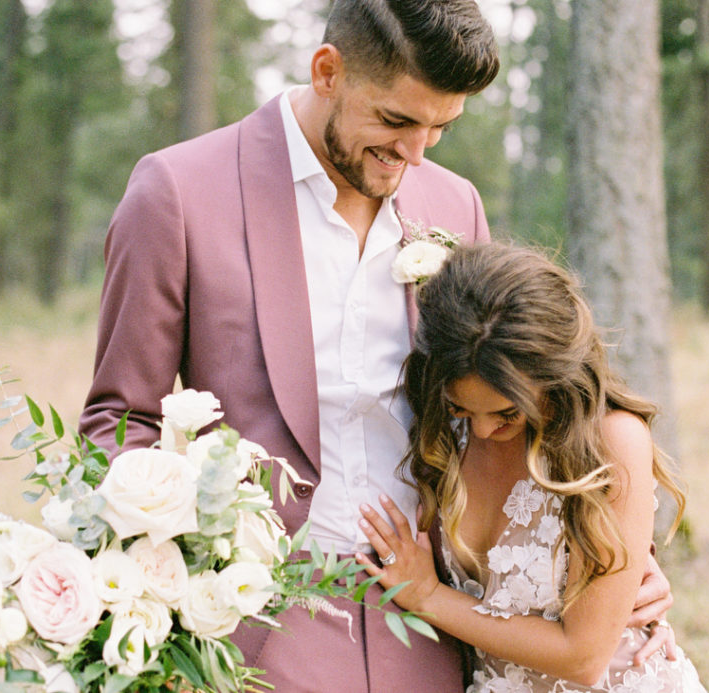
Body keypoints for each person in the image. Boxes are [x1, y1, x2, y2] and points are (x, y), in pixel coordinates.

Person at [79, 1, 673, 690]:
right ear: (327, 71)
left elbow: (506, 404)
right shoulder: (179, 193)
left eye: (439, 129)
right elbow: (120, 423)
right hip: (260, 628)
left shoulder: (455, 205)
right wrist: (160, 584)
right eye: (396, 121)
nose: (414, 154)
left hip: (434, 627)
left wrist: (612, 553)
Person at [356, 243, 707, 691]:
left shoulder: (612, 442)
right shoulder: (443, 434)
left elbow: (583, 657)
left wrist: (428, 597)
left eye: (506, 413)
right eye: (462, 408)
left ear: (552, 374)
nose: (481, 431)